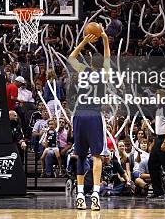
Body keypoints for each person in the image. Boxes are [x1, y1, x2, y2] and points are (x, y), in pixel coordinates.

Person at [68, 24, 109, 211]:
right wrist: (105, 38)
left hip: (79, 115)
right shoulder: (104, 73)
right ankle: (95, 194)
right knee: (97, 156)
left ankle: (79, 195)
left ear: (91, 62)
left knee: (80, 156)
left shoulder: (84, 71)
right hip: (94, 115)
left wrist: (85, 41)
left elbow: (71, 57)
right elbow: (107, 57)